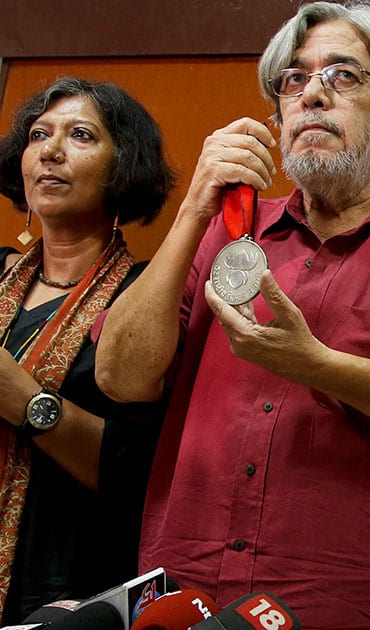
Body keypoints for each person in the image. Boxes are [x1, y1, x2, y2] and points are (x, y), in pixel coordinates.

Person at [93, 1, 370, 628]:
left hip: (356, 599)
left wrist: (315, 365)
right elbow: (121, 377)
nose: (313, 96)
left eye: (343, 76)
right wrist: (192, 211)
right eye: (294, 80)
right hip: (189, 588)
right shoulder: (227, 231)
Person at [0, 77, 172, 622]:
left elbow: (137, 475)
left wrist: (25, 401)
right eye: (37, 134)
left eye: (79, 136)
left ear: (123, 168)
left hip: (68, 589)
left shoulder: (142, 299)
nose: (49, 151)